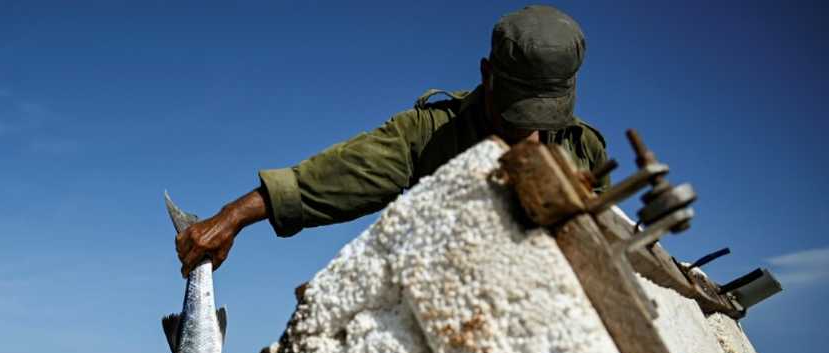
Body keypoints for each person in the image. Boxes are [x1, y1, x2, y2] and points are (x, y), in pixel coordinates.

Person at [176, 4, 610, 277]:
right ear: (487, 75)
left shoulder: (584, 147)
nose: (525, 128)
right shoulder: (429, 130)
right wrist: (235, 215)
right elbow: (342, 175)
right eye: (516, 110)